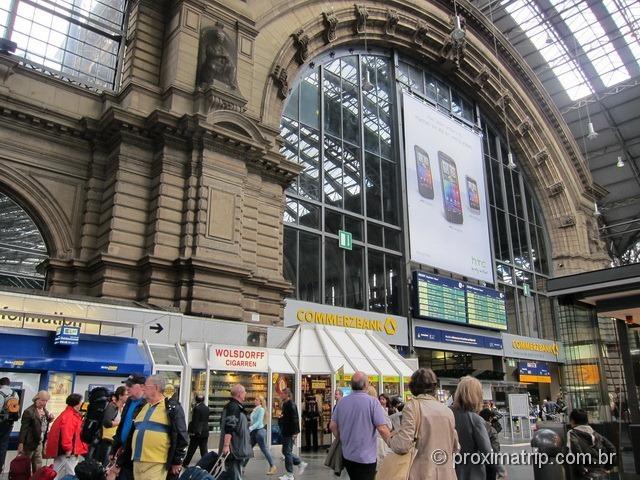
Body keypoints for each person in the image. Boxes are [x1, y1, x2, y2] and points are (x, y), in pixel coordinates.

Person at [387, 368, 458, 480]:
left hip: (422, 472)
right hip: (446, 473)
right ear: (434, 386)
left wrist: (389, 439)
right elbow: (455, 446)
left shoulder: (412, 407)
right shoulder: (447, 411)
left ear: (413, 387)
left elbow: (402, 445)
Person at [330, 371, 391, 480]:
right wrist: (393, 443)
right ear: (365, 385)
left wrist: (342, 438)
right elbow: (382, 428)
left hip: (347, 455)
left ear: (351, 385)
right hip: (366, 457)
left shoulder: (342, 402)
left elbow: (333, 425)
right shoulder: (373, 402)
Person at [129, 375, 188, 480]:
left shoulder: (171, 408)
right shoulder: (142, 407)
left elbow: (181, 435)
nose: (143, 389)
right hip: (137, 462)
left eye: (146, 386)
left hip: (157, 463)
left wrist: (177, 461)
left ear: (155, 388)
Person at [451, 376, 493, 480]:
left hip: (450, 469)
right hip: (473, 471)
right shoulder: (476, 420)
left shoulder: (447, 414)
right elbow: (487, 451)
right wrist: (500, 469)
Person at [111, 374, 147, 480]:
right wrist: (114, 448)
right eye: (126, 385)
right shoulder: (129, 401)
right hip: (123, 452)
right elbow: (122, 426)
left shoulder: (147, 404)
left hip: (134, 456)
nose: (127, 388)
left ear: (142, 386)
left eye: (130, 385)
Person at [45, 393, 88, 477]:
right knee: (70, 472)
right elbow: (67, 434)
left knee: (57, 471)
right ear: (77, 404)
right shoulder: (70, 416)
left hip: (64, 450)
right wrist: (68, 448)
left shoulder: (68, 414)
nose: (82, 404)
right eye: (81, 402)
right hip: (67, 451)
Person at [568, 409, 616, 479]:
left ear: (572, 421)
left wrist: (582, 470)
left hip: (585, 474)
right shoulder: (595, 434)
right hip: (600, 472)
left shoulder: (572, 433)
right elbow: (612, 448)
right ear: (587, 421)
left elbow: (576, 450)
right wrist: (607, 467)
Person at [219, 384, 253, 480]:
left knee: (232, 473)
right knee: (234, 474)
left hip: (237, 447)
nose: (245, 393)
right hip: (234, 449)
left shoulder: (235, 406)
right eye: (244, 392)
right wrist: (226, 446)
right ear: (239, 394)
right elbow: (229, 427)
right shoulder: (233, 407)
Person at [18, 390, 54, 473]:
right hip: (29, 442)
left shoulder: (45, 411)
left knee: (38, 463)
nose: (44, 403)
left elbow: (43, 424)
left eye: (46, 401)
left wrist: (50, 419)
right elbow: (24, 428)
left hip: (39, 441)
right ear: (37, 399)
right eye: (42, 400)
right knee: (25, 464)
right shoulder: (29, 411)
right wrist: (21, 443)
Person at [278, 387, 307, 480]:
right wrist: (281, 417)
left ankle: (290, 474)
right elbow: (287, 418)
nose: (281, 395)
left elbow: (295, 419)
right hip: (286, 430)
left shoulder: (291, 405)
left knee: (287, 452)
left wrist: (295, 432)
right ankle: (299, 463)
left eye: (282, 394)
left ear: (287, 395)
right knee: (286, 451)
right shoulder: (285, 404)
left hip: (289, 431)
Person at [94, 386, 127, 467]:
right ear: (120, 396)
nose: (128, 396)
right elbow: (107, 422)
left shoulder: (124, 408)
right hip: (107, 440)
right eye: (126, 394)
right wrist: (120, 423)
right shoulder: (112, 406)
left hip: (116, 442)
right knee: (105, 465)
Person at [244, 395, 277, 475]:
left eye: (256, 399)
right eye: (255, 399)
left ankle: (273, 466)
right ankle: (242, 466)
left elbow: (259, 422)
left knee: (264, 449)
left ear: (260, 402)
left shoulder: (261, 410)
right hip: (255, 432)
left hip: (259, 432)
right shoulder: (255, 410)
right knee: (249, 449)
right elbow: (253, 421)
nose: (255, 400)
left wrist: (250, 428)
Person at [479, 408, 506, 480]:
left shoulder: (476, 427)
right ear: (490, 418)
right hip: (490, 461)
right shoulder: (492, 430)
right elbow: (495, 448)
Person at [184, 394, 210, 466]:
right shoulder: (207, 408)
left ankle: (185, 463)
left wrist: (192, 432)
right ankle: (206, 465)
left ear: (196, 399)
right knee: (204, 450)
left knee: (191, 449)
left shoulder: (196, 408)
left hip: (197, 432)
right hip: (205, 431)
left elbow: (195, 421)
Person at [0, 377, 18, 473]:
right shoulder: (15, 394)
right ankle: (0, 466)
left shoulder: (0, 393)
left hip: (1, 422)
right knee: (3, 445)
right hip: (9, 424)